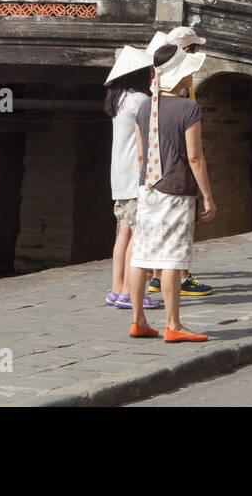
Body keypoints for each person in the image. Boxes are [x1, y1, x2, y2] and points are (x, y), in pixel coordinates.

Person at [127, 44, 216, 342]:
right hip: (176, 188)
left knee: (141, 255)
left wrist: (148, 183)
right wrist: (208, 195)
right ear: (179, 75)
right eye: (189, 70)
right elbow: (195, 157)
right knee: (171, 259)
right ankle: (173, 324)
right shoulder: (189, 108)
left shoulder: (144, 107)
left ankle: (138, 320)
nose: (193, 74)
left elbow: (141, 155)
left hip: (147, 187)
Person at [143, 27, 214, 299]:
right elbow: (194, 154)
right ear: (185, 53)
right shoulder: (180, 93)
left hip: (152, 175)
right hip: (176, 167)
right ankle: (179, 281)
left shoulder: (152, 95)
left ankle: (155, 279)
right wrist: (207, 194)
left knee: (155, 235)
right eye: (194, 50)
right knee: (176, 234)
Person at [102, 46, 163, 312]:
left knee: (123, 233)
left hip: (119, 176)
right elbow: (150, 140)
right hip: (135, 176)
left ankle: (117, 288)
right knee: (137, 236)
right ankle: (129, 291)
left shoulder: (117, 99)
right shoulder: (139, 100)